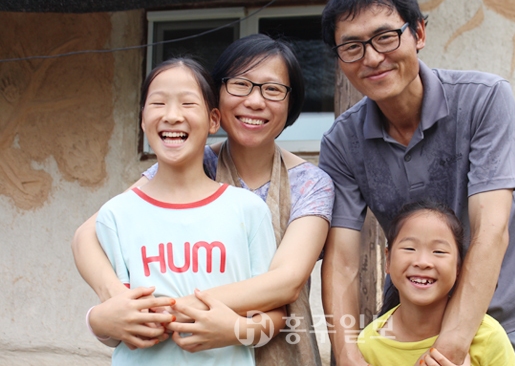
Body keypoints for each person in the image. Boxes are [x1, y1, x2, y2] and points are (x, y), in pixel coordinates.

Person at [318, 0, 515, 366]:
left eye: (385, 37)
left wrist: (450, 349)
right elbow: (341, 262)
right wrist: (347, 353)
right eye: (352, 47)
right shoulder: (342, 142)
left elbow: (491, 229)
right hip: (408, 333)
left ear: (419, 33)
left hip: (502, 323)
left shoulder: (484, 101)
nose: (371, 58)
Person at [72, 35, 334, 365]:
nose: (255, 101)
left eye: (272, 89)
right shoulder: (187, 160)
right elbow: (88, 234)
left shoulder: (310, 184)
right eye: (240, 85)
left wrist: (172, 309)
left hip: (271, 348)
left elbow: (286, 281)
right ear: (217, 100)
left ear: (291, 102)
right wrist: (116, 303)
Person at [92, 57, 281, 365]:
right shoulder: (116, 215)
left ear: (214, 120)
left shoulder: (248, 210)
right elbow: (115, 327)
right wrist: (98, 321)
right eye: (158, 103)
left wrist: (235, 330)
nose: (172, 116)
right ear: (142, 120)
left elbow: (275, 319)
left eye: (188, 103)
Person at [358, 200, 515, 366]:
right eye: (409, 248)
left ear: (458, 267)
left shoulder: (487, 336)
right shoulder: (368, 344)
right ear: (388, 260)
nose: (423, 262)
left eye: (439, 251)